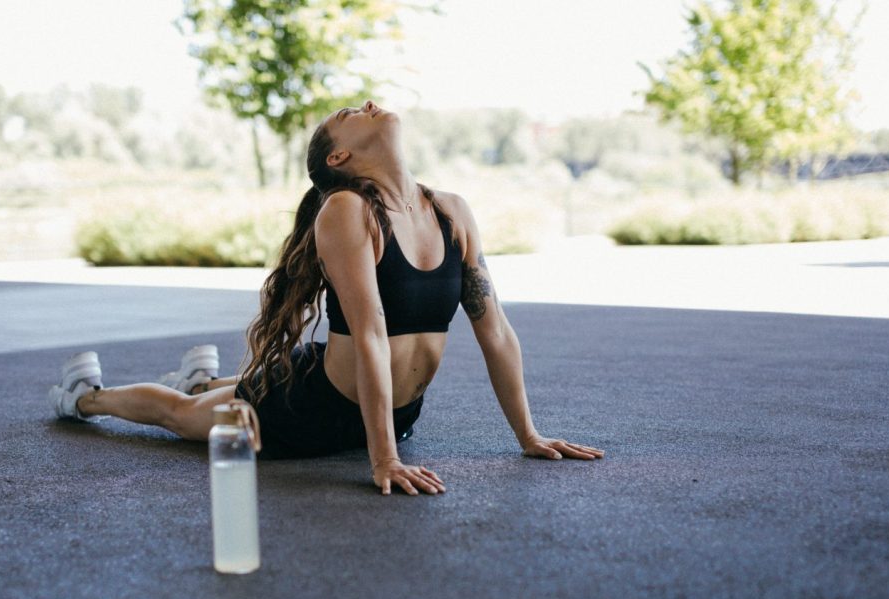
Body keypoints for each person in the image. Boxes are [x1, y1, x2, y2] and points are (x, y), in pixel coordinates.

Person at [49, 100, 604, 495]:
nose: (367, 103)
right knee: (184, 417)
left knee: (214, 396)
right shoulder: (348, 212)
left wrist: (528, 435)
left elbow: (496, 330)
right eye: (349, 116)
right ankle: (85, 396)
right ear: (337, 158)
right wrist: (382, 458)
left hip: (397, 408)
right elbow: (369, 331)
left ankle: (205, 377)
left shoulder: (451, 211)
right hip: (309, 405)